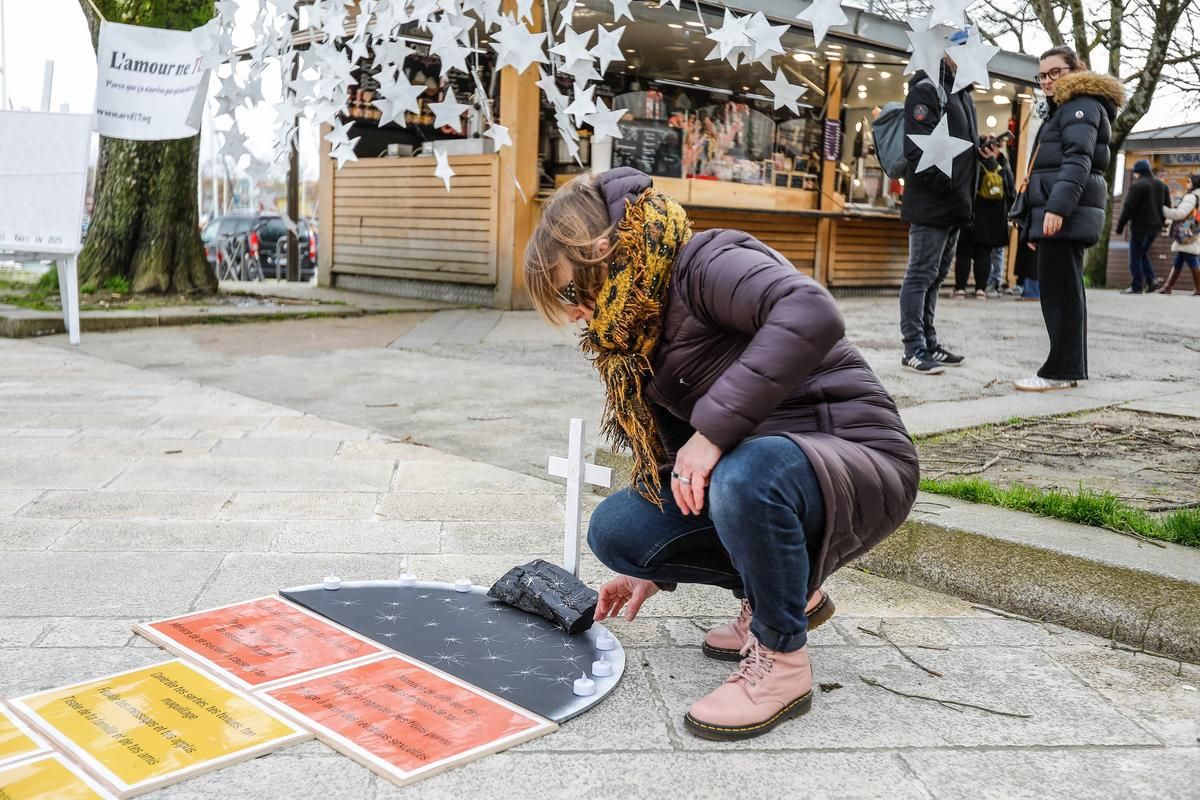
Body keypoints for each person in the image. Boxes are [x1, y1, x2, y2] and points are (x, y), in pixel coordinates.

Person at [524, 167, 919, 741]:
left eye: (570, 292)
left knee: (744, 474)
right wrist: (655, 571)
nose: (574, 314)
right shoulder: (635, 328)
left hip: (855, 455)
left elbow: (812, 312)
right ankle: (785, 595)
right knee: (621, 533)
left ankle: (781, 661)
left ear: (601, 252)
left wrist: (711, 434)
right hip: (764, 463)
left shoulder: (706, 261)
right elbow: (675, 461)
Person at [1014, 46, 1124, 393]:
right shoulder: (1066, 108)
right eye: (1042, 75)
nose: (1047, 80)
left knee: (1060, 294)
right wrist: (1037, 219)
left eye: (1055, 73)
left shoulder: (1080, 105)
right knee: (1064, 291)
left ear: (1077, 70)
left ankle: (1059, 371)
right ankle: (1067, 368)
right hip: (1060, 212)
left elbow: (1078, 160)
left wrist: (1057, 210)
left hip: (1066, 213)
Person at [898, 28, 979, 374]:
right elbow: (918, 150)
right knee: (920, 275)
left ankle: (929, 342)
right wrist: (951, 189)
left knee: (934, 278)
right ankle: (913, 348)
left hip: (954, 205)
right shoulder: (927, 88)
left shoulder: (962, 94)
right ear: (945, 51)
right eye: (962, 48)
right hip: (934, 203)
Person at [952, 135, 1015, 298]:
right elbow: (1011, 192)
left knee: (964, 252)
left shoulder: (970, 162)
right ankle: (980, 290)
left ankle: (960, 289)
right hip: (991, 219)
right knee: (984, 254)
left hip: (969, 214)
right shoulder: (1000, 166)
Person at [1115, 160, 1168, 293]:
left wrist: (1120, 226)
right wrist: (1161, 223)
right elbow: (1166, 207)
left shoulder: (1138, 186)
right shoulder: (1162, 186)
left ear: (1138, 172)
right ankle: (1151, 281)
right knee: (1142, 252)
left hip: (1140, 227)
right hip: (1155, 227)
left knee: (1135, 255)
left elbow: (1129, 207)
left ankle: (1137, 286)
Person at [1160, 173, 1200, 295]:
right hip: (1194, 232)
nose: (1187, 184)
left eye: (1189, 181)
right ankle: (1168, 286)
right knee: (1180, 258)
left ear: (1194, 183)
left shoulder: (1192, 197)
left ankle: (1199, 288)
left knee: (1191, 258)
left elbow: (1180, 214)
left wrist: (1163, 209)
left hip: (1186, 232)